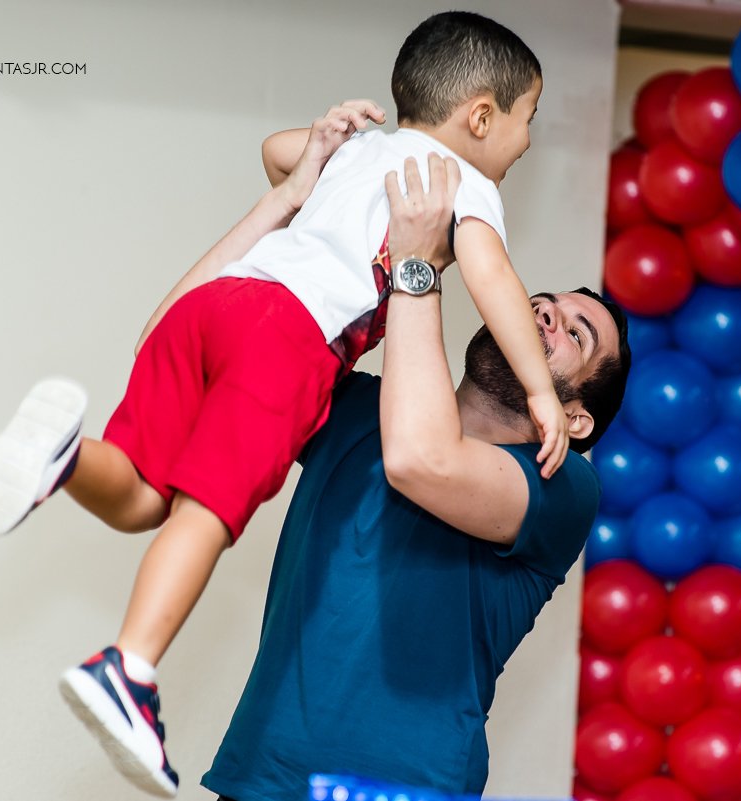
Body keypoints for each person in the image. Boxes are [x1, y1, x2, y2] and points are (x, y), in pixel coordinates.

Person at [0, 12, 566, 798]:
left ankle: (66, 455)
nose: (526, 143)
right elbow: (494, 283)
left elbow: (281, 151)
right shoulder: (461, 185)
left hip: (218, 302)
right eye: (528, 121)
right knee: (207, 512)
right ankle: (129, 669)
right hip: (286, 338)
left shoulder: (370, 152)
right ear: (481, 116)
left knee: (149, 495)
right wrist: (544, 389)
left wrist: (319, 143)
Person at [201, 155, 629, 800]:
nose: (545, 315)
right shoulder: (354, 408)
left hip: (403, 786)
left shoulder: (562, 485)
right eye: (536, 305)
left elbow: (420, 460)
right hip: (261, 769)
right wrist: (293, 193)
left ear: (574, 419)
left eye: (575, 332)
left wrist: (417, 267)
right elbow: (202, 338)